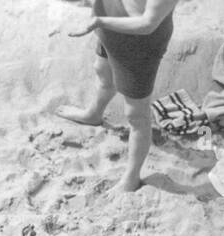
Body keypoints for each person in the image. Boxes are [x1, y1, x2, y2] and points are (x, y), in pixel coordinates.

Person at [58, 0, 179, 192]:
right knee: (103, 73)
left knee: (136, 114)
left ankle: (132, 177)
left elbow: (148, 23)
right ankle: (93, 114)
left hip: (140, 45)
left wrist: (99, 21)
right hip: (110, 26)